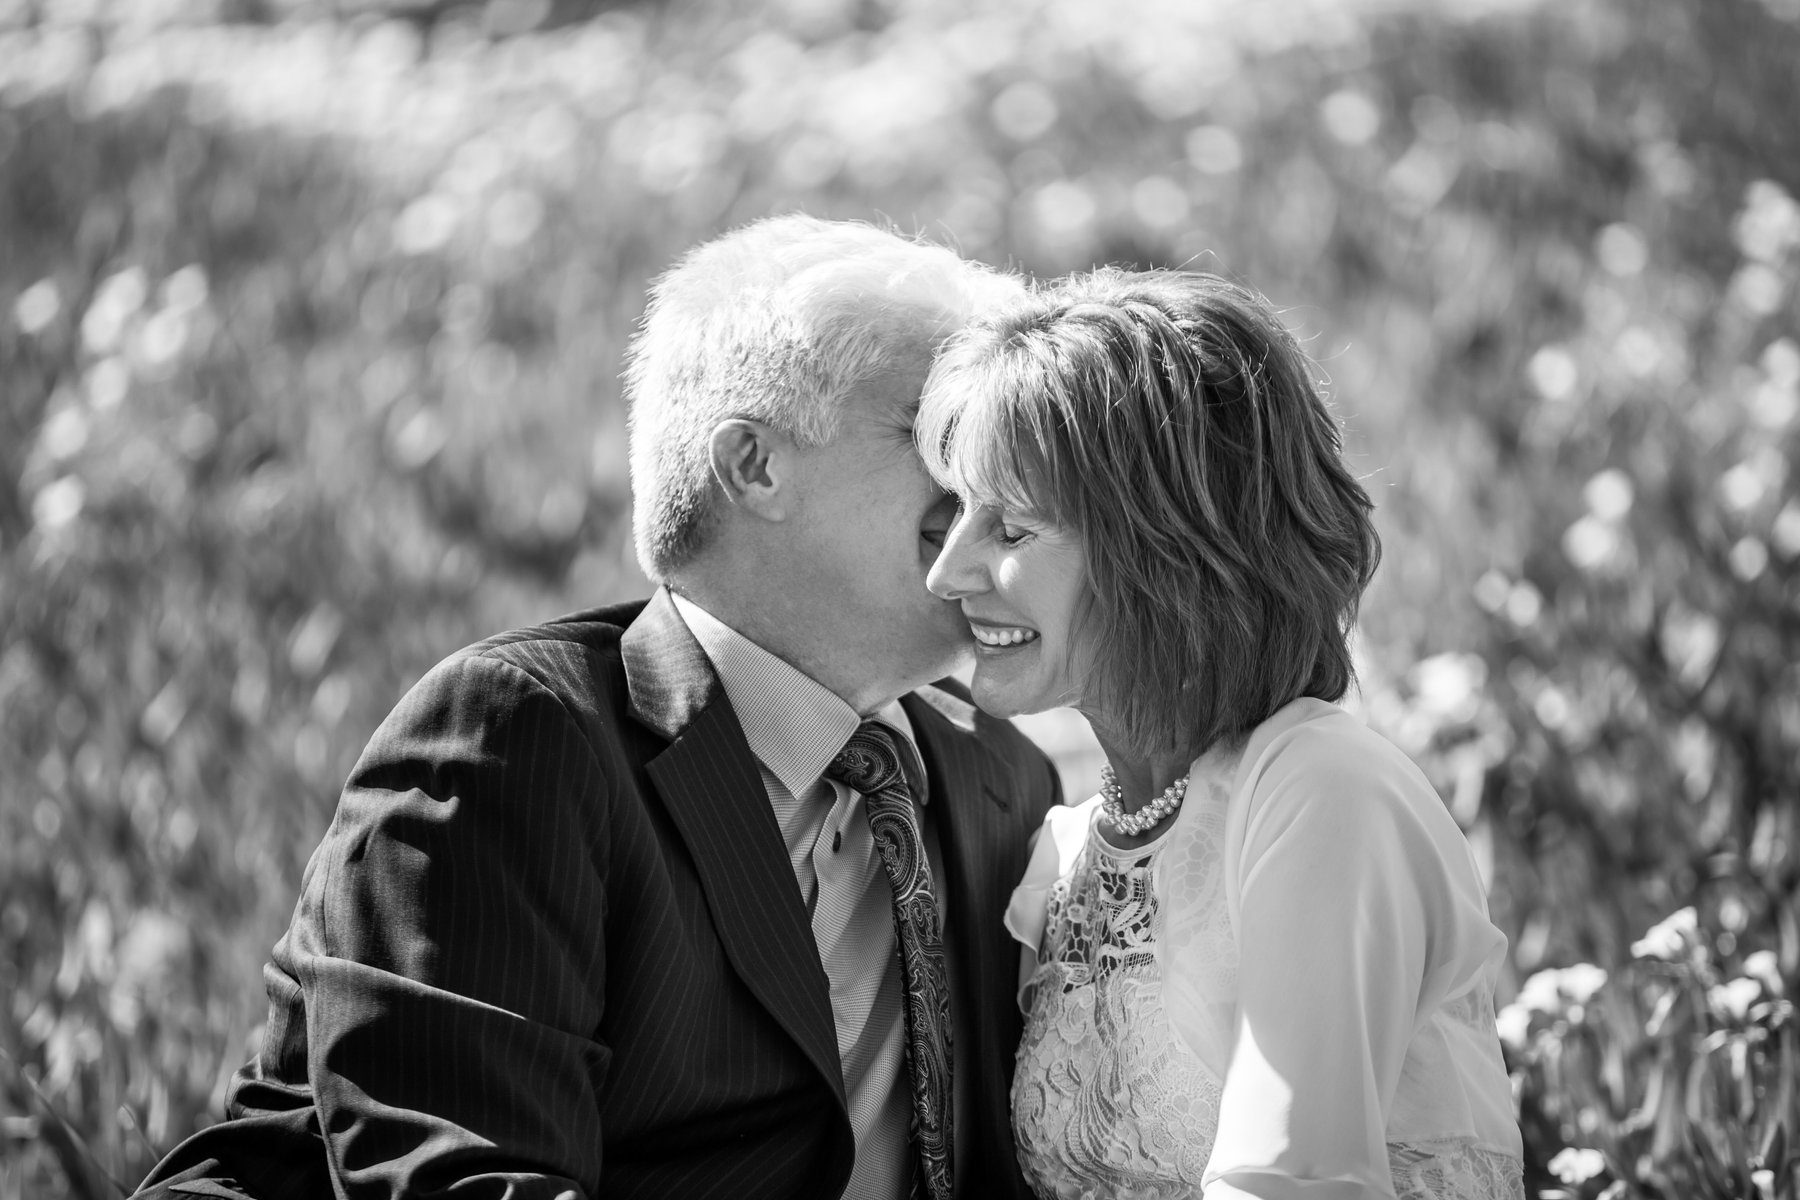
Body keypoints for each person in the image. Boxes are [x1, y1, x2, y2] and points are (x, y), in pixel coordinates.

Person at [132, 215, 1062, 1200]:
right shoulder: (515, 737)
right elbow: (459, 1177)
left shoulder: (1000, 776)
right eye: (941, 431)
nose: (993, 483)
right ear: (755, 465)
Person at [917, 268, 1526, 1199]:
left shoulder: (1321, 789)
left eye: (1011, 529)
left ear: (1171, 554)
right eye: (956, 514)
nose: (948, 573)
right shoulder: (1064, 853)